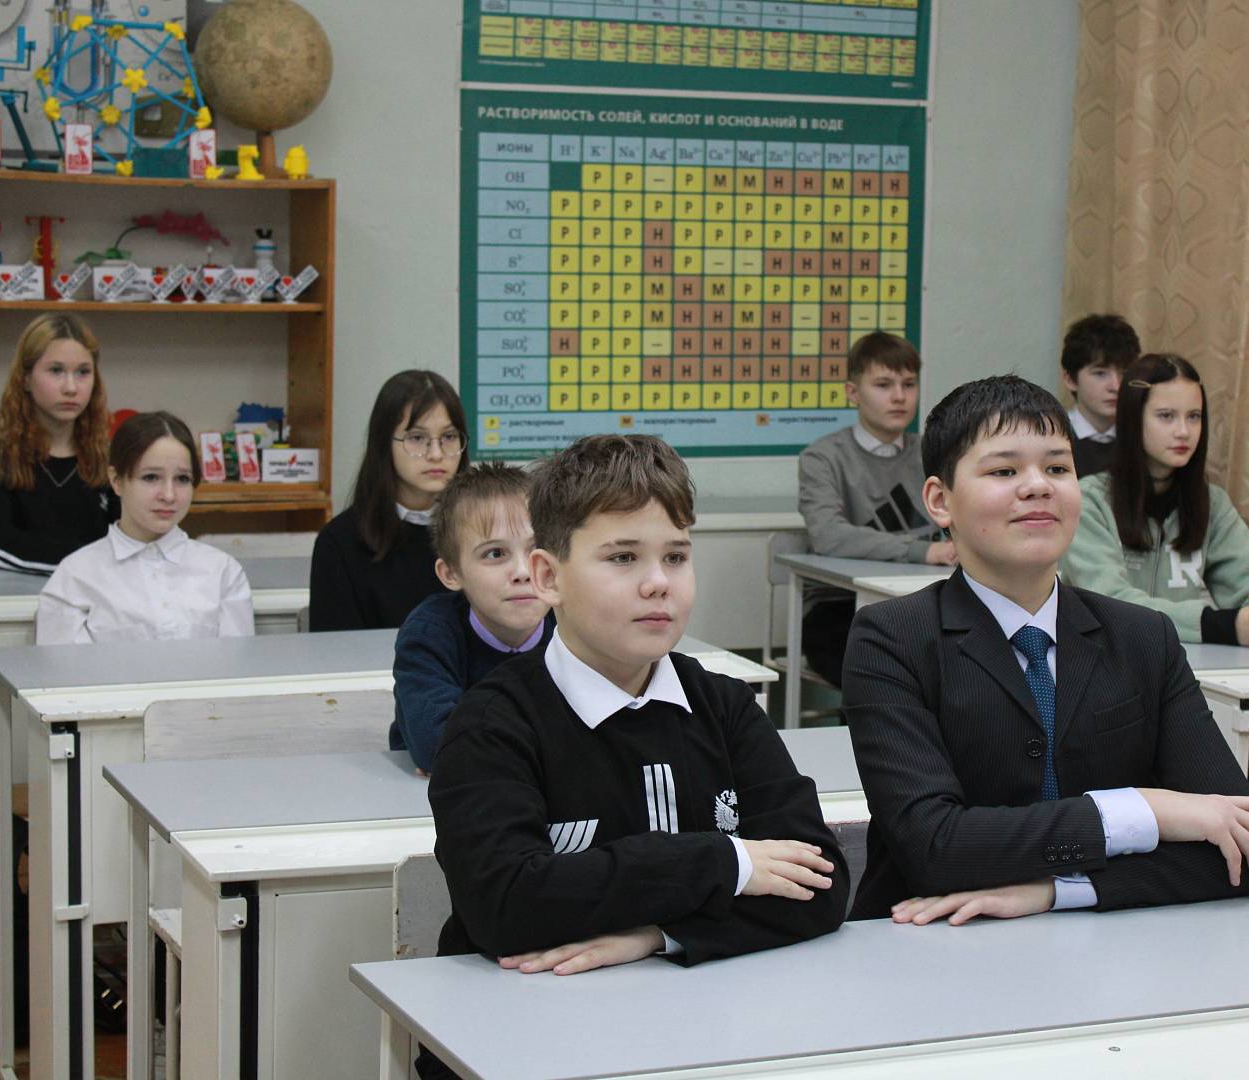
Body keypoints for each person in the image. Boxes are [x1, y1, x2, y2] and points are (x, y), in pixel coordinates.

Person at [842, 375, 1249, 926]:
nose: (1038, 487)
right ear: (940, 500)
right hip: (932, 940)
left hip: (1110, 947)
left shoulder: (1143, 636)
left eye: (1057, 468)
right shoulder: (891, 639)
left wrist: (1057, 890)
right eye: (1004, 471)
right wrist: (1145, 810)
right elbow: (935, 847)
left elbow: (1245, 849)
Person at [431, 433, 847, 979]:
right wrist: (724, 862)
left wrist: (658, 935)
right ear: (548, 577)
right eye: (623, 557)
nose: (657, 583)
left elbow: (820, 885)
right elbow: (504, 908)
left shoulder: (724, 705)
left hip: (700, 1008)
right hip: (531, 1013)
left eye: (675, 557)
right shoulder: (492, 724)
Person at [1061, 353, 1249, 647]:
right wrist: (1219, 627)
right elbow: (1110, 603)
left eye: (1194, 416)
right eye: (1166, 416)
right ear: (1132, 419)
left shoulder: (1212, 503)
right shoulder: (1089, 500)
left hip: (1183, 664)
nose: (1184, 432)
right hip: (1102, 661)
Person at [797, 331, 950, 684]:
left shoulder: (935, 453)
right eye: (883, 385)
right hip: (841, 606)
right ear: (853, 392)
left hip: (925, 599)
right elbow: (828, 536)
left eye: (909, 384)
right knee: (887, 672)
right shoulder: (823, 458)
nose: (899, 397)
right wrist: (924, 551)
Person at [391, 463, 554, 774]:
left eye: (536, 549)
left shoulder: (576, 623)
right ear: (451, 573)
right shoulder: (429, 634)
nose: (523, 572)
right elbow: (438, 745)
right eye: (495, 554)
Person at [36, 411, 253, 644]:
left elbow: (236, 664)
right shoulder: (76, 576)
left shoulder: (223, 572)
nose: (169, 495)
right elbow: (62, 667)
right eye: (151, 477)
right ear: (117, 480)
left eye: (182, 479)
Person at [309, 371, 468, 631]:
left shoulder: (482, 531)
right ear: (384, 443)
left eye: (449, 437)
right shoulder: (339, 543)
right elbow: (334, 649)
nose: (436, 454)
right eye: (417, 438)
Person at [0, 313, 117, 574]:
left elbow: (130, 543)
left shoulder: (113, 460)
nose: (71, 388)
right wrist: (84, 565)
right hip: (12, 599)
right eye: (56, 371)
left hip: (94, 597)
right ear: (25, 378)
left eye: (83, 372)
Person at [1059, 313, 1141, 478]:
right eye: (1100, 373)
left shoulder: (1142, 438)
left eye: (1124, 373)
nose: (1116, 387)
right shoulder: (1054, 438)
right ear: (1070, 380)